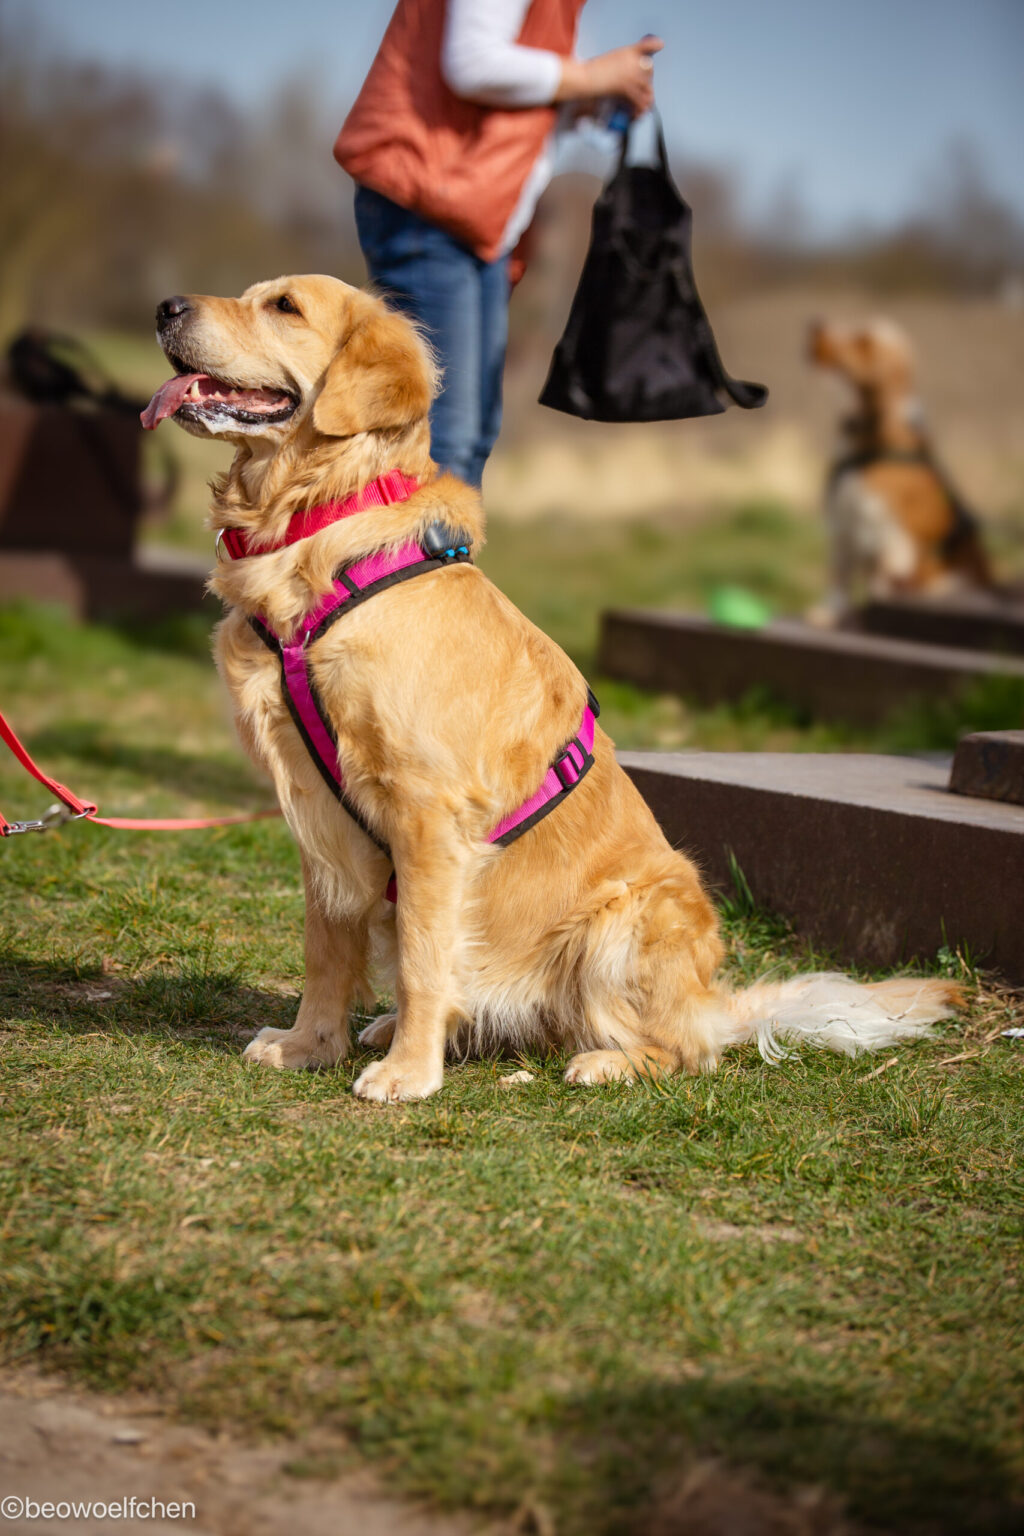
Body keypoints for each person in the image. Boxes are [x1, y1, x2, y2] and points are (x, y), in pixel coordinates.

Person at [334, 1, 661, 487]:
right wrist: (590, 77)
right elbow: (471, 62)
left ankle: (438, 561)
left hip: (474, 220)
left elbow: (513, 96)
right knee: (442, 437)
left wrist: (593, 98)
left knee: (472, 434)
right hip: (431, 205)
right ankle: (407, 563)